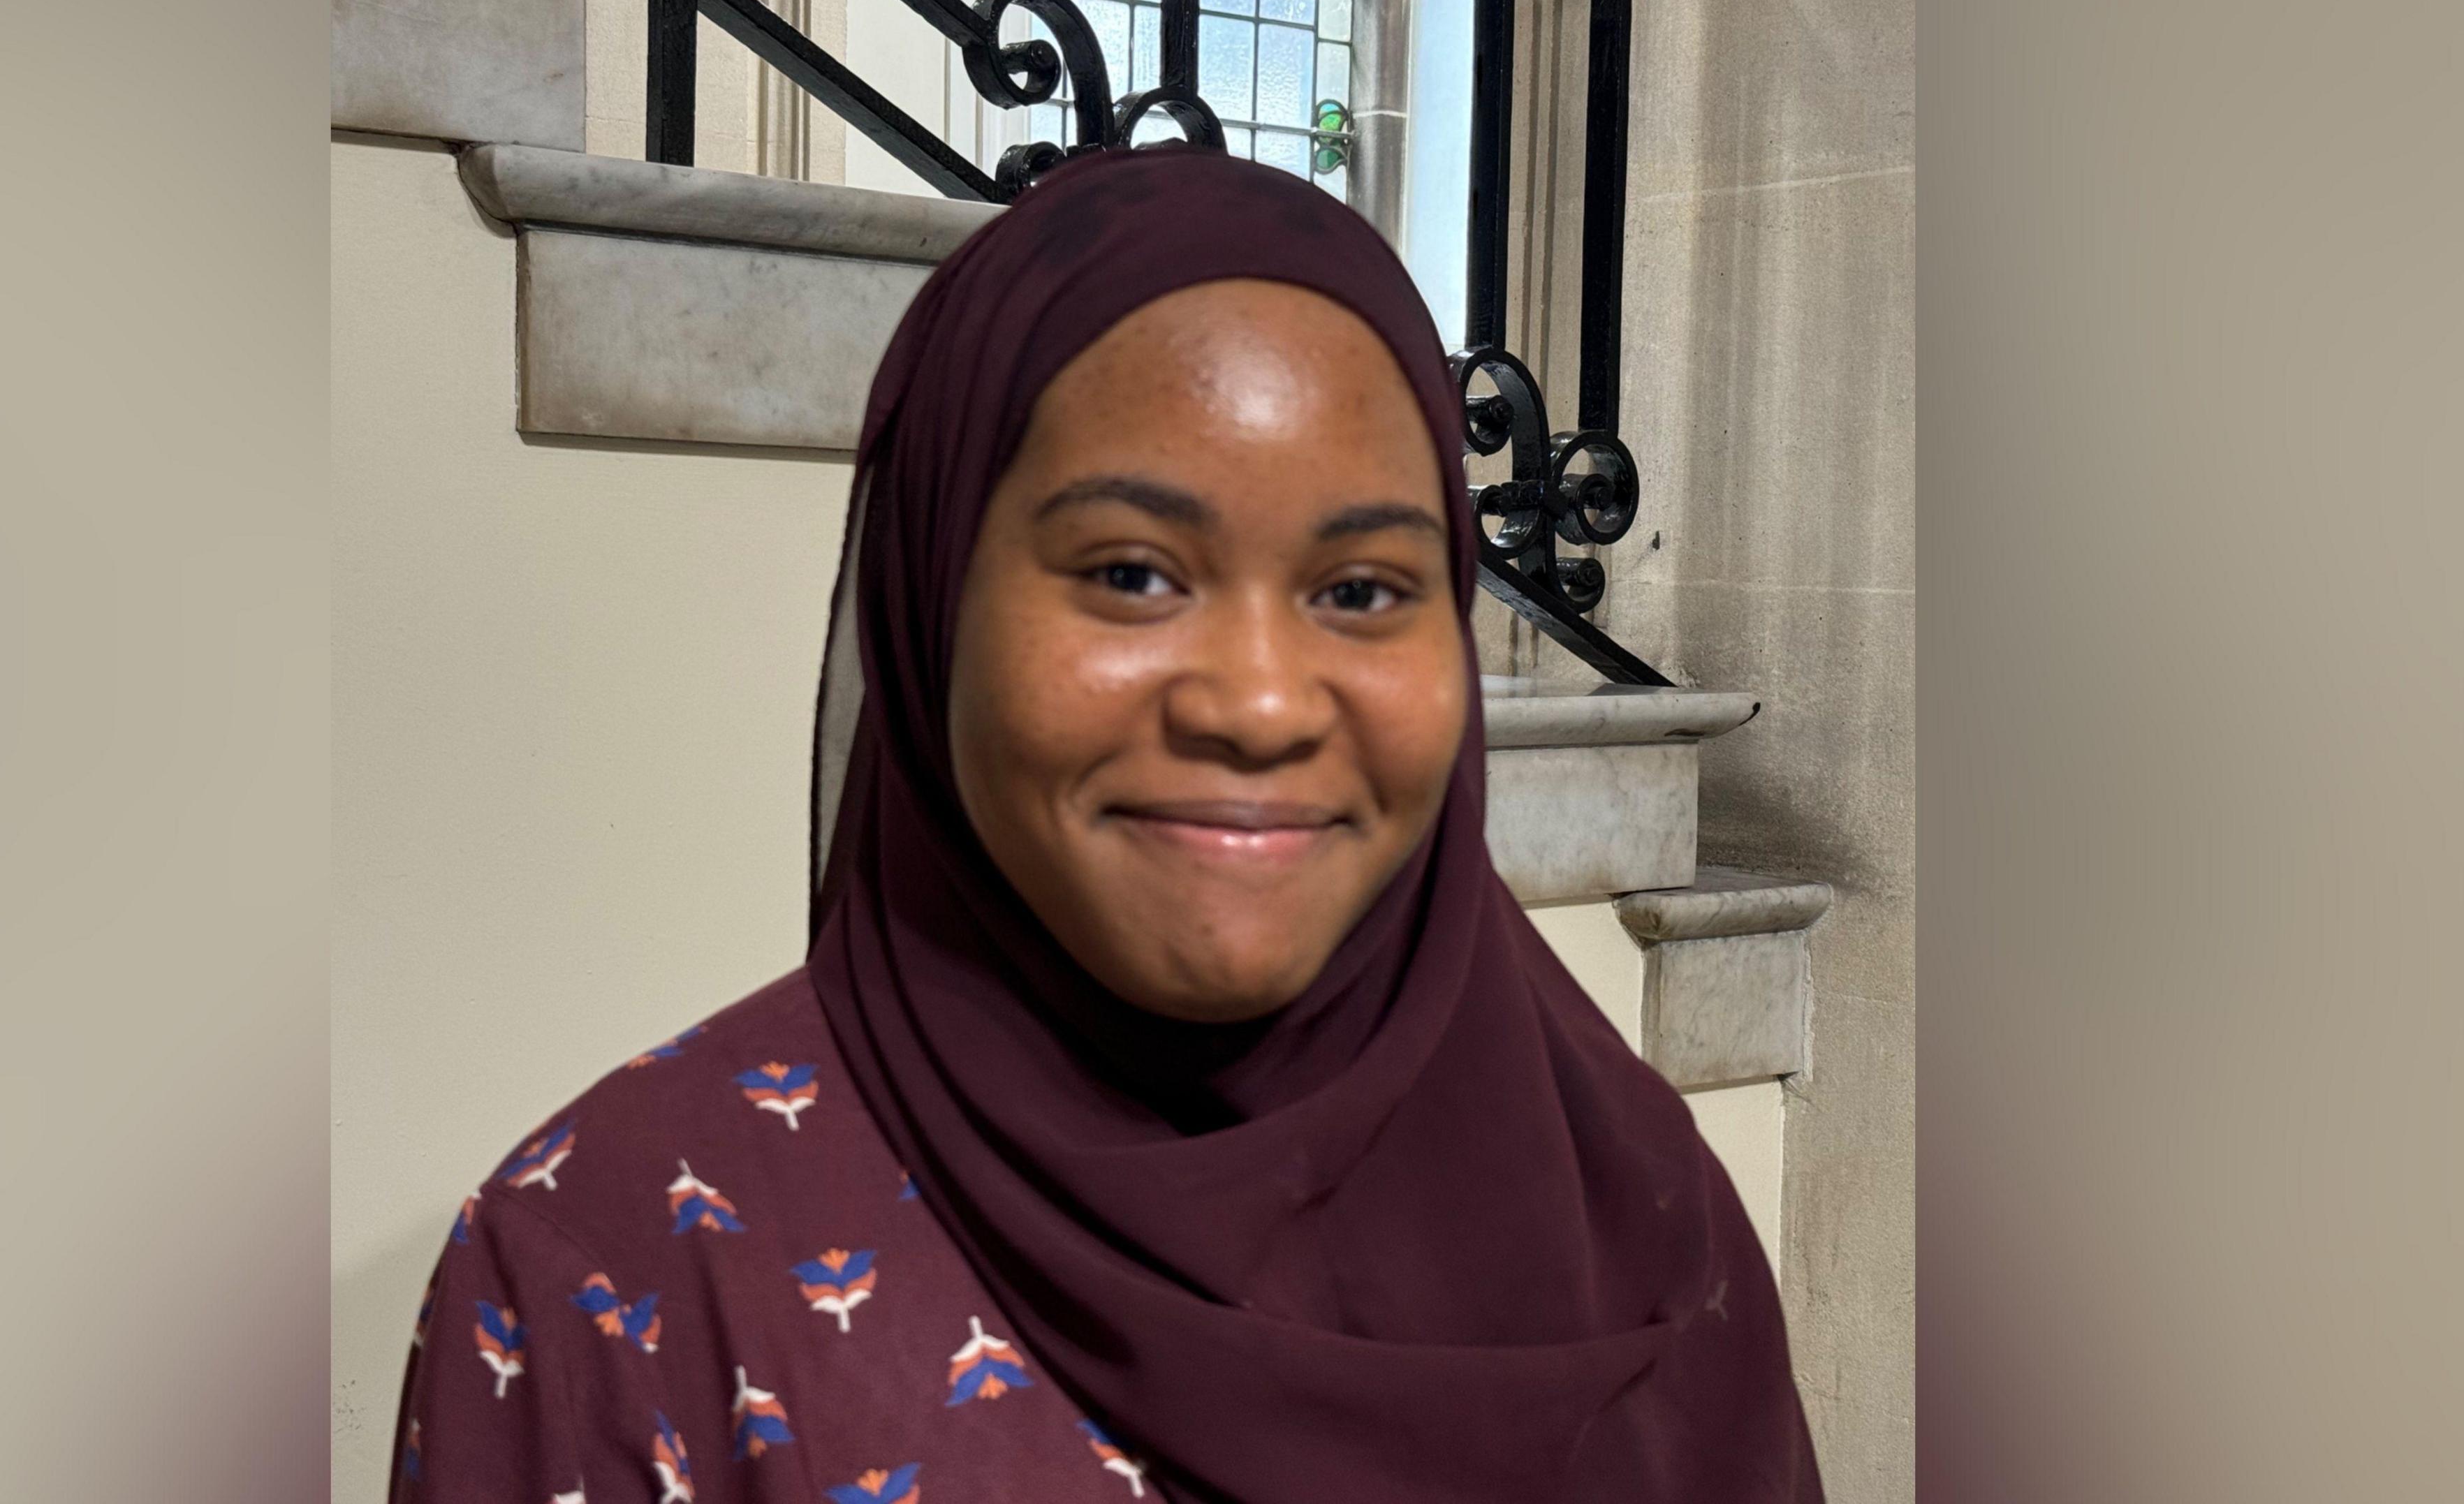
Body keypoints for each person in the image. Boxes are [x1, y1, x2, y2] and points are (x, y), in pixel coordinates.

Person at [387, 146, 1819, 1504]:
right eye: (1133, 574)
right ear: (932, 599)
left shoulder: (1630, 1211)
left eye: (1366, 590)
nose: (1261, 704)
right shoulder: (615, 1276)